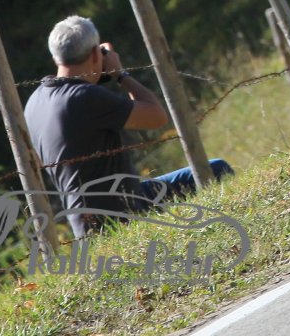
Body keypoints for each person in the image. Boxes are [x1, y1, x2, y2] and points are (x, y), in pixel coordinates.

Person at [24, 15, 233, 238]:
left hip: (86, 225)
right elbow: (156, 117)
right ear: (95, 54)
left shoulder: (35, 101)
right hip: (121, 214)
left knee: (209, 171)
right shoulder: (84, 97)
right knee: (218, 171)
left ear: (56, 57)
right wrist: (120, 75)